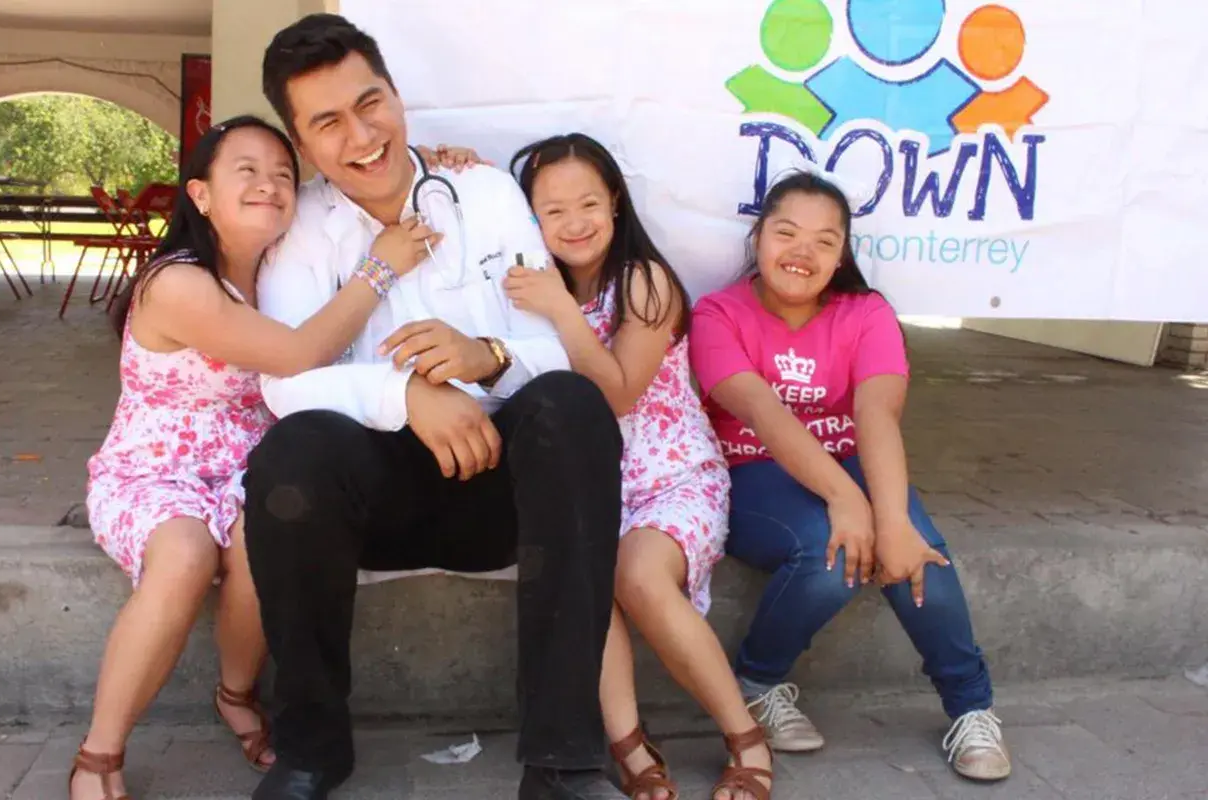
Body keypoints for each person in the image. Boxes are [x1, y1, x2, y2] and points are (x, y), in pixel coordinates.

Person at [243, 15, 625, 800]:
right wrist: (406, 395)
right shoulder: (301, 227)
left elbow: (551, 347)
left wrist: (489, 357)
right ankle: (311, 750)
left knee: (573, 407)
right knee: (290, 455)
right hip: (374, 503)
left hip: (499, 492)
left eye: (370, 103)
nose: (362, 136)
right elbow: (284, 381)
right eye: (328, 122)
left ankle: (563, 764)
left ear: (396, 94)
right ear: (302, 142)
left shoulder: (485, 193)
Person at [73, 115, 430, 800]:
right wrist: (381, 267)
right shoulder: (178, 283)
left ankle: (235, 693)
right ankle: (100, 752)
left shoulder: (281, 268)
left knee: (269, 534)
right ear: (201, 195)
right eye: (247, 171)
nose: (269, 185)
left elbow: (360, 181)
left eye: (282, 174)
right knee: (185, 555)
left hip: (247, 472)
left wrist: (436, 155)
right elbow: (297, 354)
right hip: (156, 475)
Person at [687, 170, 1012, 782]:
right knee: (832, 554)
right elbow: (763, 413)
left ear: (842, 255)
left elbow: (876, 414)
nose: (802, 252)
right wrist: (846, 499)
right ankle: (756, 682)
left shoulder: (866, 312)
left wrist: (890, 520)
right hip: (753, 470)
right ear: (758, 237)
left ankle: (972, 708)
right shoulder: (717, 313)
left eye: (824, 241)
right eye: (786, 233)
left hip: (851, 459)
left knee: (916, 547)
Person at [493, 132, 772, 800]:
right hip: (591, 489)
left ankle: (745, 737)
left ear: (615, 201)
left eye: (588, 203)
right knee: (581, 576)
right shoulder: (533, 282)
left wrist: (560, 310)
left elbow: (615, 393)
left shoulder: (644, 282)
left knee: (635, 573)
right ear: (531, 218)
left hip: (674, 480)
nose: (574, 222)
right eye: (553, 210)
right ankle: (630, 749)